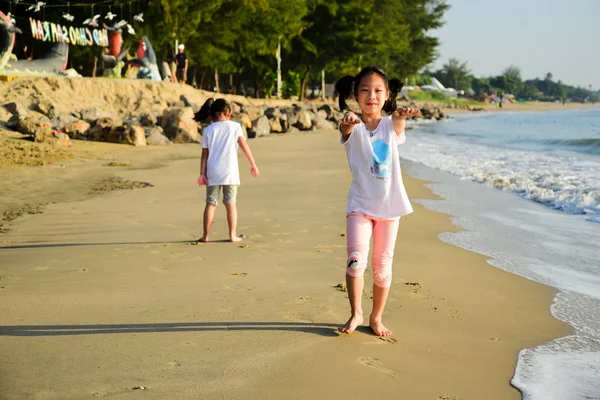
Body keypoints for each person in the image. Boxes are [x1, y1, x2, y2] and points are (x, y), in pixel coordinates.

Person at [334, 66, 420, 337]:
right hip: (359, 206)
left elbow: (396, 124)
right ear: (355, 95)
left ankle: (376, 317)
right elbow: (345, 126)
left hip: (388, 208)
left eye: (378, 91)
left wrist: (401, 116)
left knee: (382, 265)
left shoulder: (390, 125)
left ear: (387, 96)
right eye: (365, 90)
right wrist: (348, 118)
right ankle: (356, 312)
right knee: (355, 260)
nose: (371, 95)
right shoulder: (351, 126)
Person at [195, 98, 259, 243]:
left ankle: (206, 236)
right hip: (230, 173)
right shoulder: (235, 127)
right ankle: (232, 235)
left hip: (212, 172)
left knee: (210, 203)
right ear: (228, 112)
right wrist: (252, 163)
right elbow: (244, 146)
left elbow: (204, 155)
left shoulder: (208, 130)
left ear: (212, 114)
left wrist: (201, 174)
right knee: (230, 203)